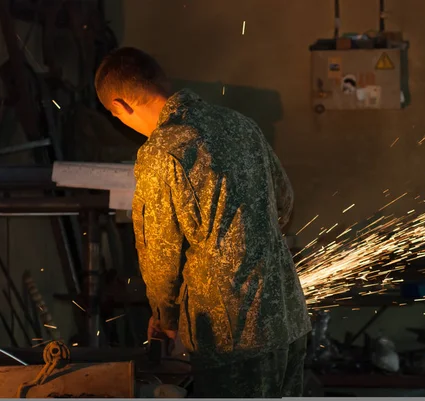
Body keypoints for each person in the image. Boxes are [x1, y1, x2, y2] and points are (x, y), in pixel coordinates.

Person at [94, 47, 312, 398]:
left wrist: (164, 320)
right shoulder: (240, 124)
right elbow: (284, 206)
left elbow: (160, 257)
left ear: (119, 107)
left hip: (232, 337)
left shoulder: (161, 151)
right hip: (288, 319)